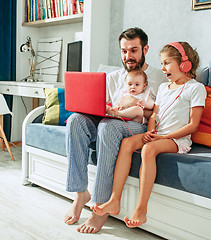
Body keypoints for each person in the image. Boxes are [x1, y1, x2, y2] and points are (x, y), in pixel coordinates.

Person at [91, 42, 207, 228]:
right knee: (127, 143)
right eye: (162, 63)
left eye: (167, 63)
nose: (163, 68)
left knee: (148, 149)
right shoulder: (163, 88)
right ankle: (114, 200)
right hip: (158, 135)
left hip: (177, 140)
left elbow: (193, 125)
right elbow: (154, 114)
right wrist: (151, 131)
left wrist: (162, 138)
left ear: (184, 64)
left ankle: (141, 209)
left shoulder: (195, 88)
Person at [64, 27, 167, 234]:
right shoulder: (112, 77)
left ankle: (101, 207)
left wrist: (135, 109)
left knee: (107, 127)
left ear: (145, 48)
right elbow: (101, 105)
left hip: (137, 124)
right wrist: (102, 109)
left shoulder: (159, 77)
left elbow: (160, 113)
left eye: (134, 50)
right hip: (109, 118)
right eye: (124, 51)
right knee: (75, 120)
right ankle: (80, 193)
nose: (128, 56)